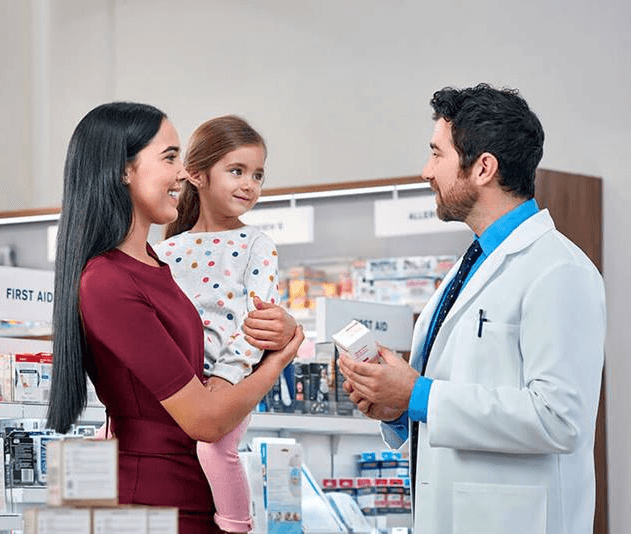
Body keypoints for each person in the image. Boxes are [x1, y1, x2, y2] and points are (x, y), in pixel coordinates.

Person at [338, 84, 605, 534]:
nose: (426, 172)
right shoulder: (472, 263)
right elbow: (458, 390)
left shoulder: (559, 269)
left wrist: (419, 395)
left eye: (436, 154)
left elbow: (560, 419)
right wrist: (397, 407)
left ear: (483, 168)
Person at [45, 102, 304, 534]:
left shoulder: (154, 262)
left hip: (185, 492)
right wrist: (276, 362)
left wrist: (282, 327)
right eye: (169, 158)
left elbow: (230, 319)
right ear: (124, 169)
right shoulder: (108, 280)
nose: (183, 173)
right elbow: (205, 420)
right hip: (151, 500)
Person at [153, 115, 278, 533]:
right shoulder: (166, 250)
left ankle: (237, 527)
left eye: (258, 175)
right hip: (179, 381)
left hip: (232, 380)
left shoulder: (256, 243)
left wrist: (226, 379)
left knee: (215, 450)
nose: (249, 185)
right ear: (198, 175)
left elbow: (259, 320)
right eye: (237, 171)